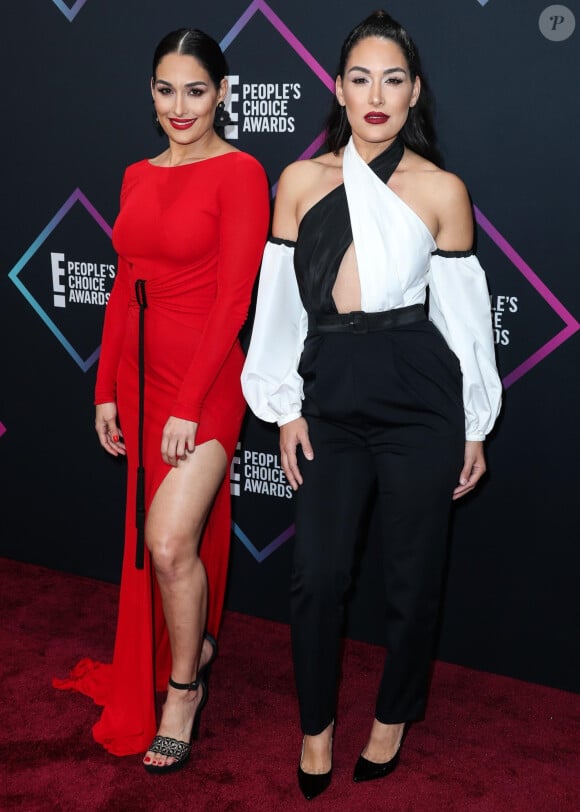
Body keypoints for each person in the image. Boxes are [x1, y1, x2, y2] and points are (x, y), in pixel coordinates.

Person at [241, 9, 501, 800]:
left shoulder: (440, 189)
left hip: (420, 397)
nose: (377, 94)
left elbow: (463, 319)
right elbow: (280, 306)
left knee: (413, 577)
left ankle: (392, 718)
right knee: (317, 578)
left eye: (394, 79)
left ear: (414, 90)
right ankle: (314, 728)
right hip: (333, 400)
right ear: (339, 88)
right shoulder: (301, 180)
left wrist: (474, 424)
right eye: (361, 78)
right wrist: (285, 409)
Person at [54, 28, 269, 772]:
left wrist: (186, 401)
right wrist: (105, 387)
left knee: (170, 541)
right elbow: (124, 286)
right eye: (166, 89)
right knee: (159, 546)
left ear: (222, 93)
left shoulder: (241, 173)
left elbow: (235, 300)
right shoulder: (136, 174)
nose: (181, 107)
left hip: (204, 381)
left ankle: (184, 689)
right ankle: (193, 644)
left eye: (197, 90)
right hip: (138, 377)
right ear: (151, 93)